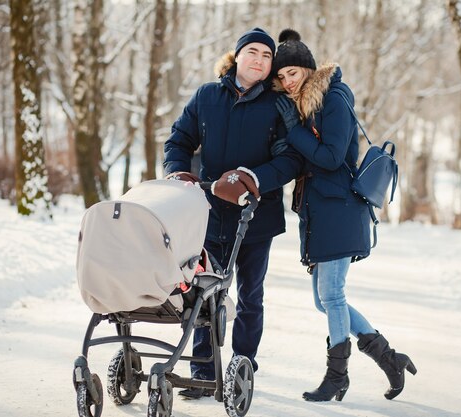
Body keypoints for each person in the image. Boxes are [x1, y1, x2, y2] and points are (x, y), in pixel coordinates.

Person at [270, 29, 417, 402]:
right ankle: (389, 358)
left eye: (293, 73)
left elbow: (333, 158)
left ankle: (337, 376)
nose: (288, 82)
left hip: (338, 208)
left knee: (332, 296)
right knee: (324, 300)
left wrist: (293, 132)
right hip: (320, 212)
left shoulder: (334, 98)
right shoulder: (305, 105)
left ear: (308, 68)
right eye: (282, 77)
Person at [163, 27, 303, 399]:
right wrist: (178, 173)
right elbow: (179, 140)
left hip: (256, 216)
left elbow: (289, 158)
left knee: (250, 296)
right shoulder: (207, 96)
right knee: (202, 294)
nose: (258, 60)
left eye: (266, 56)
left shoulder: (277, 105)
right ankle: (202, 372)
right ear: (237, 56)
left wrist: (253, 179)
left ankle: (242, 367)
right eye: (252, 52)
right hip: (207, 213)